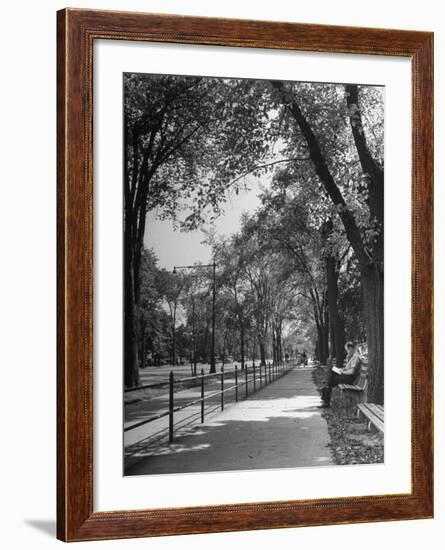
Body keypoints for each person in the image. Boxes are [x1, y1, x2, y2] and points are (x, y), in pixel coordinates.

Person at [319, 342, 362, 408]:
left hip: (349, 378)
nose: (347, 352)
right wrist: (342, 369)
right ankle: (326, 390)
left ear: (350, 348)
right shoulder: (353, 357)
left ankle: (326, 394)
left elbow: (352, 372)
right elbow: (348, 369)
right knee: (332, 371)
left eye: (347, 350)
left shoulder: (355, 357)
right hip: (347, 376)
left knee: (331, 379)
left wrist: (342, 372)